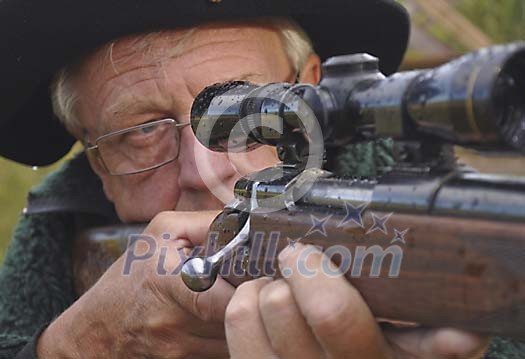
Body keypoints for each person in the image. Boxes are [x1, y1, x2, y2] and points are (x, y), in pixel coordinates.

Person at [0, 0, 522, 358]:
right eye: (141, 132)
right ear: (96, 163)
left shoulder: (420, 218)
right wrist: (79, 343)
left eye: (251, 116)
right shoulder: (59, 239)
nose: (208, 168)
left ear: (313, 88)